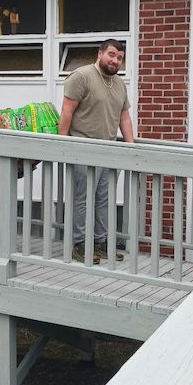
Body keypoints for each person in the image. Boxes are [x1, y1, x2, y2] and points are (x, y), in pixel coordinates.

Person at [59, 39, 134, 264]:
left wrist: (131, 147)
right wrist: (62, 144)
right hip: (82, 148)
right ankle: (80, 245)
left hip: (108, 151)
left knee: (104, 200)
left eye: (119, 58)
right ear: (100, 53)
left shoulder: (120, 84)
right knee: (82, 199)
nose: (115, 60)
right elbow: (67, 110)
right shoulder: (81, 76)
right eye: (111, 55)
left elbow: (124, 117)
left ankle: (100, 244)